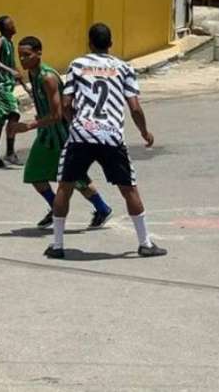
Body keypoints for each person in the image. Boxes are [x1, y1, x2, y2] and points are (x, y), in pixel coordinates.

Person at [46, 23, 166, 259]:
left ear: (89, 43)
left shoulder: (77, 65)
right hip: (111, 136)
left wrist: (76, 124)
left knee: (65, 186)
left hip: (82, 134)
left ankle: (57, 245)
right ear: (110, 43)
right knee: (128, 188)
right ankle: (145, 243)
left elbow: (67, 104)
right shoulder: (124, 68)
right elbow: (135, 107)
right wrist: (145, 132)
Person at [13, 36, 113, 230]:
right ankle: (55, 207)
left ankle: (102, 208)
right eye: (21, 56)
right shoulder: (33, 74)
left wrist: (29, 125)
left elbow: (57, 115)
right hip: (46, 135)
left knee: (76, 178)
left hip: (61, 135)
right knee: (34, 174)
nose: (23, 60)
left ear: (39, 53)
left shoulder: (47, 77)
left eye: (27, 55)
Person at [0, 16, 22, 168]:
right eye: (11, 23)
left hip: (6, 85)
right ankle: (6, 153)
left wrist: (22, 82)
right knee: (13, 113)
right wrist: (10, 71)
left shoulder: (10, 43)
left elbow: (12, 65)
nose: (14, 25)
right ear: (5, 27)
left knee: (4, 119)